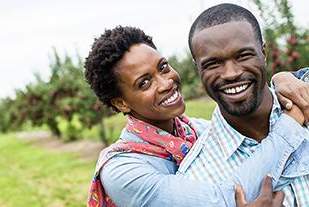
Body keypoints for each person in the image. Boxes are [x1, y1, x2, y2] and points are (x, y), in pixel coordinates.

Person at [84, 26, 309, 207]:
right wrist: (292, 121)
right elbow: (223, 199)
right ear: (121, 103)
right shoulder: (122, 170)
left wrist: (283, 79)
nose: (166, 83)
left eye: (163, 67)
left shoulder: (196, 132)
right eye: (144, 83)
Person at [177, 3, 309, 207]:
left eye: (243, 55)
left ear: (263, 53)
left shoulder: (305, 101)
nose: (231, 73)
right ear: (198, 70)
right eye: (213, 64)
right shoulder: (195, 179)